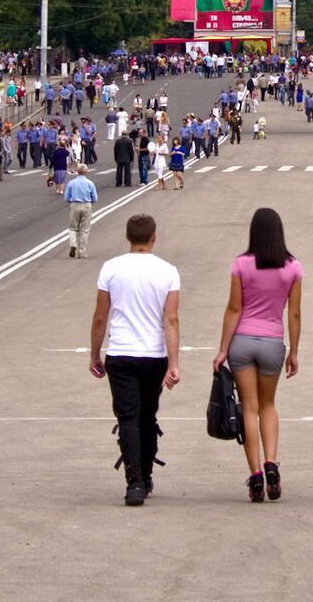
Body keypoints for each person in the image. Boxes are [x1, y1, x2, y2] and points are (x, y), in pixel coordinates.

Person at [89, 214, 182, 507]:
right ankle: (147, 473)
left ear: (128, 237)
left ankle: (135, 482)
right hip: (153, 355)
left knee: (127, 418)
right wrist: (174, 363)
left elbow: (101, 316)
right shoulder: (168, 271)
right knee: (147, 417)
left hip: (121, 353)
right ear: (154, 236)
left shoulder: (111, 269)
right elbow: (171, 319)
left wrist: (95, 353)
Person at [214, 208, 304, 503]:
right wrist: (294, 350)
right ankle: (271, 465)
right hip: (272, 342)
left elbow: (234, 309)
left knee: (248, 409)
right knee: (267, 405)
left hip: (241, 342)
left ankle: (254, 475)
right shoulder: (292, 267)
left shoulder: (241, 264)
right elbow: (294, 312)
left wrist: (223, 349)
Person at [64, 163, 98, 259]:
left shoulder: (71, 183)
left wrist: (71, 201)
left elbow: (66, 197)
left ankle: (73, 244)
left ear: (77, 172)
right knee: (84, 230)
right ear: (86, 172)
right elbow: (95, 198)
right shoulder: (90, 183)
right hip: (86, 205)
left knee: (72, 227)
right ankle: (82, 252)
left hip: (74, 205)